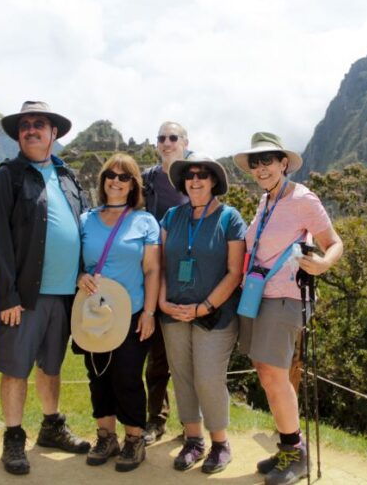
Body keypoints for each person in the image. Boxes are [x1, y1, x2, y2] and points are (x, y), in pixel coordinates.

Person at [0, 101, 91, 475]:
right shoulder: (7, 178)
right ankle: (13, 437)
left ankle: (51, 426)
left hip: (64, 294)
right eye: (25, 124)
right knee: (16, 369)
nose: (31, 129)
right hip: (24, 296)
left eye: (39, 124)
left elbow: (83, 230)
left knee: (51, 365)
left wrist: (81, 272)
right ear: (18, 134)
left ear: (53, 133)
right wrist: (8, 294)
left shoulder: (68, 178)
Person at [233, 132, 343, 485]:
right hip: (260, 295)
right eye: (255, 162)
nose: (261, 167)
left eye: (268, 160)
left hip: (287, 297)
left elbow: (334, 242)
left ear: (283, 163)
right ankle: (288, 446)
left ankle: (297, 453)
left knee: (274, 375)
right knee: (266, 373)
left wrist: (325, 263)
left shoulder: (303, 198)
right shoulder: (266, 201)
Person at [158, 154, 246, 474]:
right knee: (182, 376)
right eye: (190, 175)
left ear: (213, 182)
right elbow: (160, 263)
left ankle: (220, 443)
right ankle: (193, 440)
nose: (195, 180)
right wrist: (162, 302)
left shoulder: (230, 218)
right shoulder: (171, 217)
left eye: (202, 175)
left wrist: (205, 306)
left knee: (208, 377)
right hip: (174, 312)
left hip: (214, 314)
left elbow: (235, 272)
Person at [76, 153, 161, 472]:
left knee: (127, 376)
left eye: (124, 177)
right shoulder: (86, 219)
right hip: (93, 312)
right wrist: (79, 276)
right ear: (103, 180)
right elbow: (78, 264)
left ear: (133, 185)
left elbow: (152, 270)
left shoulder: (145, 221)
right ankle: (105, 436)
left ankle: (134, 438)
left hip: (132, 312)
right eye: (110, 174)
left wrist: (149, 313)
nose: (116, 180)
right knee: (98, 376)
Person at [140, 121, 189, 444]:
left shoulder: (195, 176)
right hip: (153, 274)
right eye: (162, 138)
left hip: (187, 277)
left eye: (173, 137)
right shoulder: (148, 179)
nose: (167, 142)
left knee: (188, 357)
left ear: (185, 141)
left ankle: (193, 423)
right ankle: (156, 419)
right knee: (157, 358)